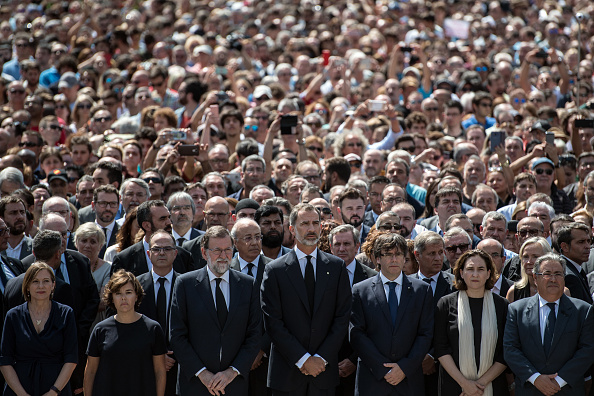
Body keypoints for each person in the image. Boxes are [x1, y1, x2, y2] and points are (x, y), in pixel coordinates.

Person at [261, 203, 352, 395]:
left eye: (315, 223)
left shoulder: (336, 267)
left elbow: (342, 317)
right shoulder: (275, 270)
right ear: (292, 229)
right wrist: (302, 359)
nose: (311, 229)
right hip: (287, 374)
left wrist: (321, 358)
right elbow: (273, 321)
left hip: (324, 372)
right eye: (304, 224)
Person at [170, 226, 262, 395]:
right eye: (217, 250)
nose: (223, 256)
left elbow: (255, 334)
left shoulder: (248, 284)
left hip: (234, 385)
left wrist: (232, 372)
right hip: (195, 385)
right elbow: (177, 335)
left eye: (228, 250)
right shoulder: (185, 284)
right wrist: (202, 374)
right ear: (204, 253)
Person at [349, 233, 433, 395]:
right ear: (377, 258)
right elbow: (357, 334)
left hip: (408, 380)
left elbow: (426, 334)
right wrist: (382, 369)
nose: (394, 259)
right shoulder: (360, 290)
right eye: (388, 254)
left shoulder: (422, 290)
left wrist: (404, 367)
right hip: (373, 380)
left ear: (405, 258)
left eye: (399, 254)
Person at [504, 253, 594, 395]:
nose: (553, 279)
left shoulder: (583, 310)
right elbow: (510, 349)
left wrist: (559, 381)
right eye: (547, 274)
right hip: (530, 389)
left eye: (558, 274)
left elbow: (587, 350)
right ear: (535, 278)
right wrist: (535, 378)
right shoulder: (517, 310)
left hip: (567, 389)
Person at [434, 249, 509, 396]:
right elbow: (441, 348)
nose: (475, 274)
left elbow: (505, 351)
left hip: (492, 386)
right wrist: (465, 384)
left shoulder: (502, 306)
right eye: (470, 269)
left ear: (488, 273)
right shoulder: (446, 304)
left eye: (480, 269)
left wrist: (478, 386)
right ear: (461, 273)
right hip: (454, 386)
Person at [84, 269, 167, 396]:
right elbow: (90, 371)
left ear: (136, 296)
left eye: (128, 292)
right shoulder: (100, 330)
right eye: (118, 293)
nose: (123, 298)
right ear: (111, 297)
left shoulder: (153, 329)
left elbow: (160, 371)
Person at [0, 262, 78, 396]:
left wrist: (53, 392)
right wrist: (21, 394)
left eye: (46, 281)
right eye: (35, 281)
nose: (41, 286)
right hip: (19, 388)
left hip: (56, 388)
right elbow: (4, 360)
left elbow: (71, 358)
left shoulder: (66, 313)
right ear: (27, 286)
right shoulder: (13, 315)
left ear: (53, 285)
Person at [328, 224, 377, 395]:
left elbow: (376, 326)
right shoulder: (318, 275)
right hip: (324, 364)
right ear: (330, 247)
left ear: (357, 246)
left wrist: (354, 359)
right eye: (337, 244)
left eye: (347, 244)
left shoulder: (372, 278)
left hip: (362, 364)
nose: (342, 249)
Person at [135, 230, 181, 396]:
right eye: (156, 249)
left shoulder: (188, 285)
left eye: (167, 249)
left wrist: (171, 356)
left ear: (175, 253)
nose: (161, 253)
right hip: (142, 366)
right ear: (149, 253)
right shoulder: (134, 286)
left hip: (179, 366)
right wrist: (156, 357)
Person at [229, 218, 272, 396]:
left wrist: (260, 350)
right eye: (248, 238)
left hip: (266, 360)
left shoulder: (275, 268)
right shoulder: (224, 269)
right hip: (231, 359)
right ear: (234, 242)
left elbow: (281, 315)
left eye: (257, 237)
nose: (254, 242)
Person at [74, 222, 111, 326]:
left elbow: (103, 301)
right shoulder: (68, 266)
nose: (87, 245)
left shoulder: (108, 268)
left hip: (98, 323)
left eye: (93, 242)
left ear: (100, 246)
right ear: (76, 243)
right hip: (73, 323)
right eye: (84, 240)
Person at [506, 237, 553, 303]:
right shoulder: (514, 292)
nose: (529, 261)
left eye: (535, 257)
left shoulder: (560, 291)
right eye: (525, 257)